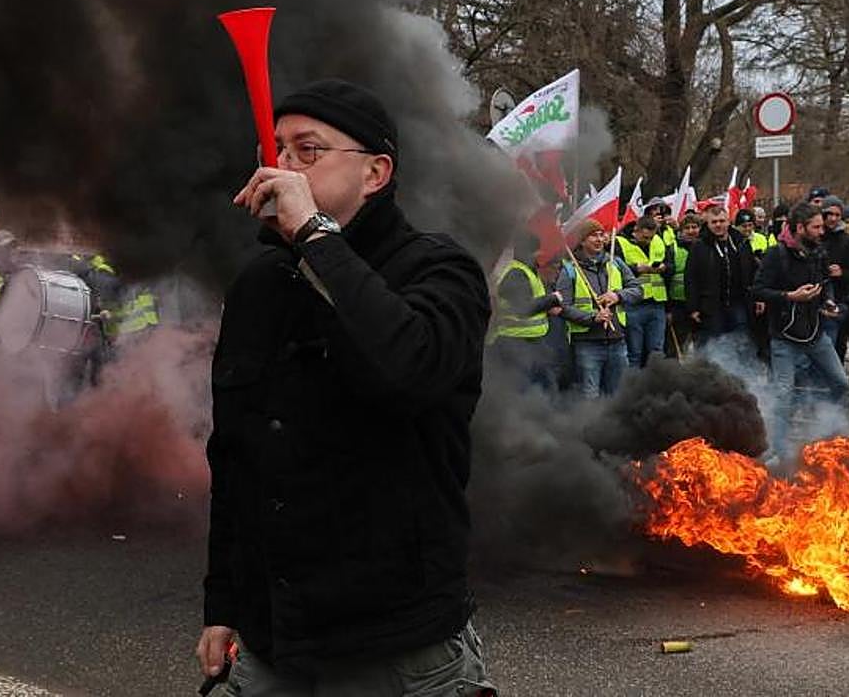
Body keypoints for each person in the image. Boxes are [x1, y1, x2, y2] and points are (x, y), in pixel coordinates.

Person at [199, 79, 496, 696]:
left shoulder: (439, 269)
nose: (283, 166)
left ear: (375, 173)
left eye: (307, 151)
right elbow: (234, 457)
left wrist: (315, 236)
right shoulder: (257, 284)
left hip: (395, 647)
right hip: (272, 641)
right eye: (276, 150)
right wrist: (223, 602)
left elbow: (410, 369)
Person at [752, 202, 848, 463]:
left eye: (821, 227)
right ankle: (777, 450)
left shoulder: (819, 251)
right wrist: (789, 296)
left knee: (840, 383)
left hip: (815, 333)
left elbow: (825, 284)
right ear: (799, 228)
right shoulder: (776, 254)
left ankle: (827, 431)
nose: (821, 231)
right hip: (784, 337)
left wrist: (828, 302)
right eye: (816, 227)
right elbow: (758, 290)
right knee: (783, 394)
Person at [555, 220, 642, 397]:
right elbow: (563, 307)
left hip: (617, 341)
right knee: (590, 397)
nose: (600, 239)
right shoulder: (570, 269)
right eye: (594, 235)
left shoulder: (616, 263)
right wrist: (592, 317)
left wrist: (618, 296)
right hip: (586, 345)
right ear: (582, 241)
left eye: (602, 235)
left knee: (618, 396)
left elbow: (638, 290)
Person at [487, 235, 563, 390]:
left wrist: (547, 308)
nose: (540, 255)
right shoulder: (515, 273)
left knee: (544, 387)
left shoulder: (528, 271)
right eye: (537, 251)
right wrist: (552, 299)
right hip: (515, 343)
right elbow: (523, 308)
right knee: (523, 390)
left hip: (532, 342)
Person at [686, 204, 761, 352]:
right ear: (708, 224)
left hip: (739, 303)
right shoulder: (699, 246)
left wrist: (759, 298)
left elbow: (753, 272)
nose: (718, 225)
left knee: (743, 344)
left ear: (728, 221)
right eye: (714, 222)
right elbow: (691, 278)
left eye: (721, 221)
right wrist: (693, 307)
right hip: (711, 306)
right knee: (715, 347)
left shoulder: (741, 242)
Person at [617, 215, 669, 367]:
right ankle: (633, 381)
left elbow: (671, 264)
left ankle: (655, 381)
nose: (649, 241)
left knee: (656, 353)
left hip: (657, 303)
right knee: (634, 353)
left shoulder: (659, 240)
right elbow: (615, 269)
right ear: (636, 231)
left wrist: (664, 268)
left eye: (651, 237)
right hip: (633, 305)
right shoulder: (620, 242)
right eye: (645, 237)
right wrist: (636, 269)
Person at [819, 196, 849, 359]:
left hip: (839, 300)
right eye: (830, 214)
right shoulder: (814, 237)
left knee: (836, 348)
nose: (833, 219)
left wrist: (842, 273)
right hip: (815, 299)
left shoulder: (846, 242)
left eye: (837, 215)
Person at [666, 213, 701, 357]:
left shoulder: (706, 246)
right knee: (678, 345)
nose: (691, 231)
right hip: (678, 304)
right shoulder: (672, 248)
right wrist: (668, 308)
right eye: (687, 228)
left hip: (701, 303)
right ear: (681, 230)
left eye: (694, 227)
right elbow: (666, 279)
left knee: (701, 344)